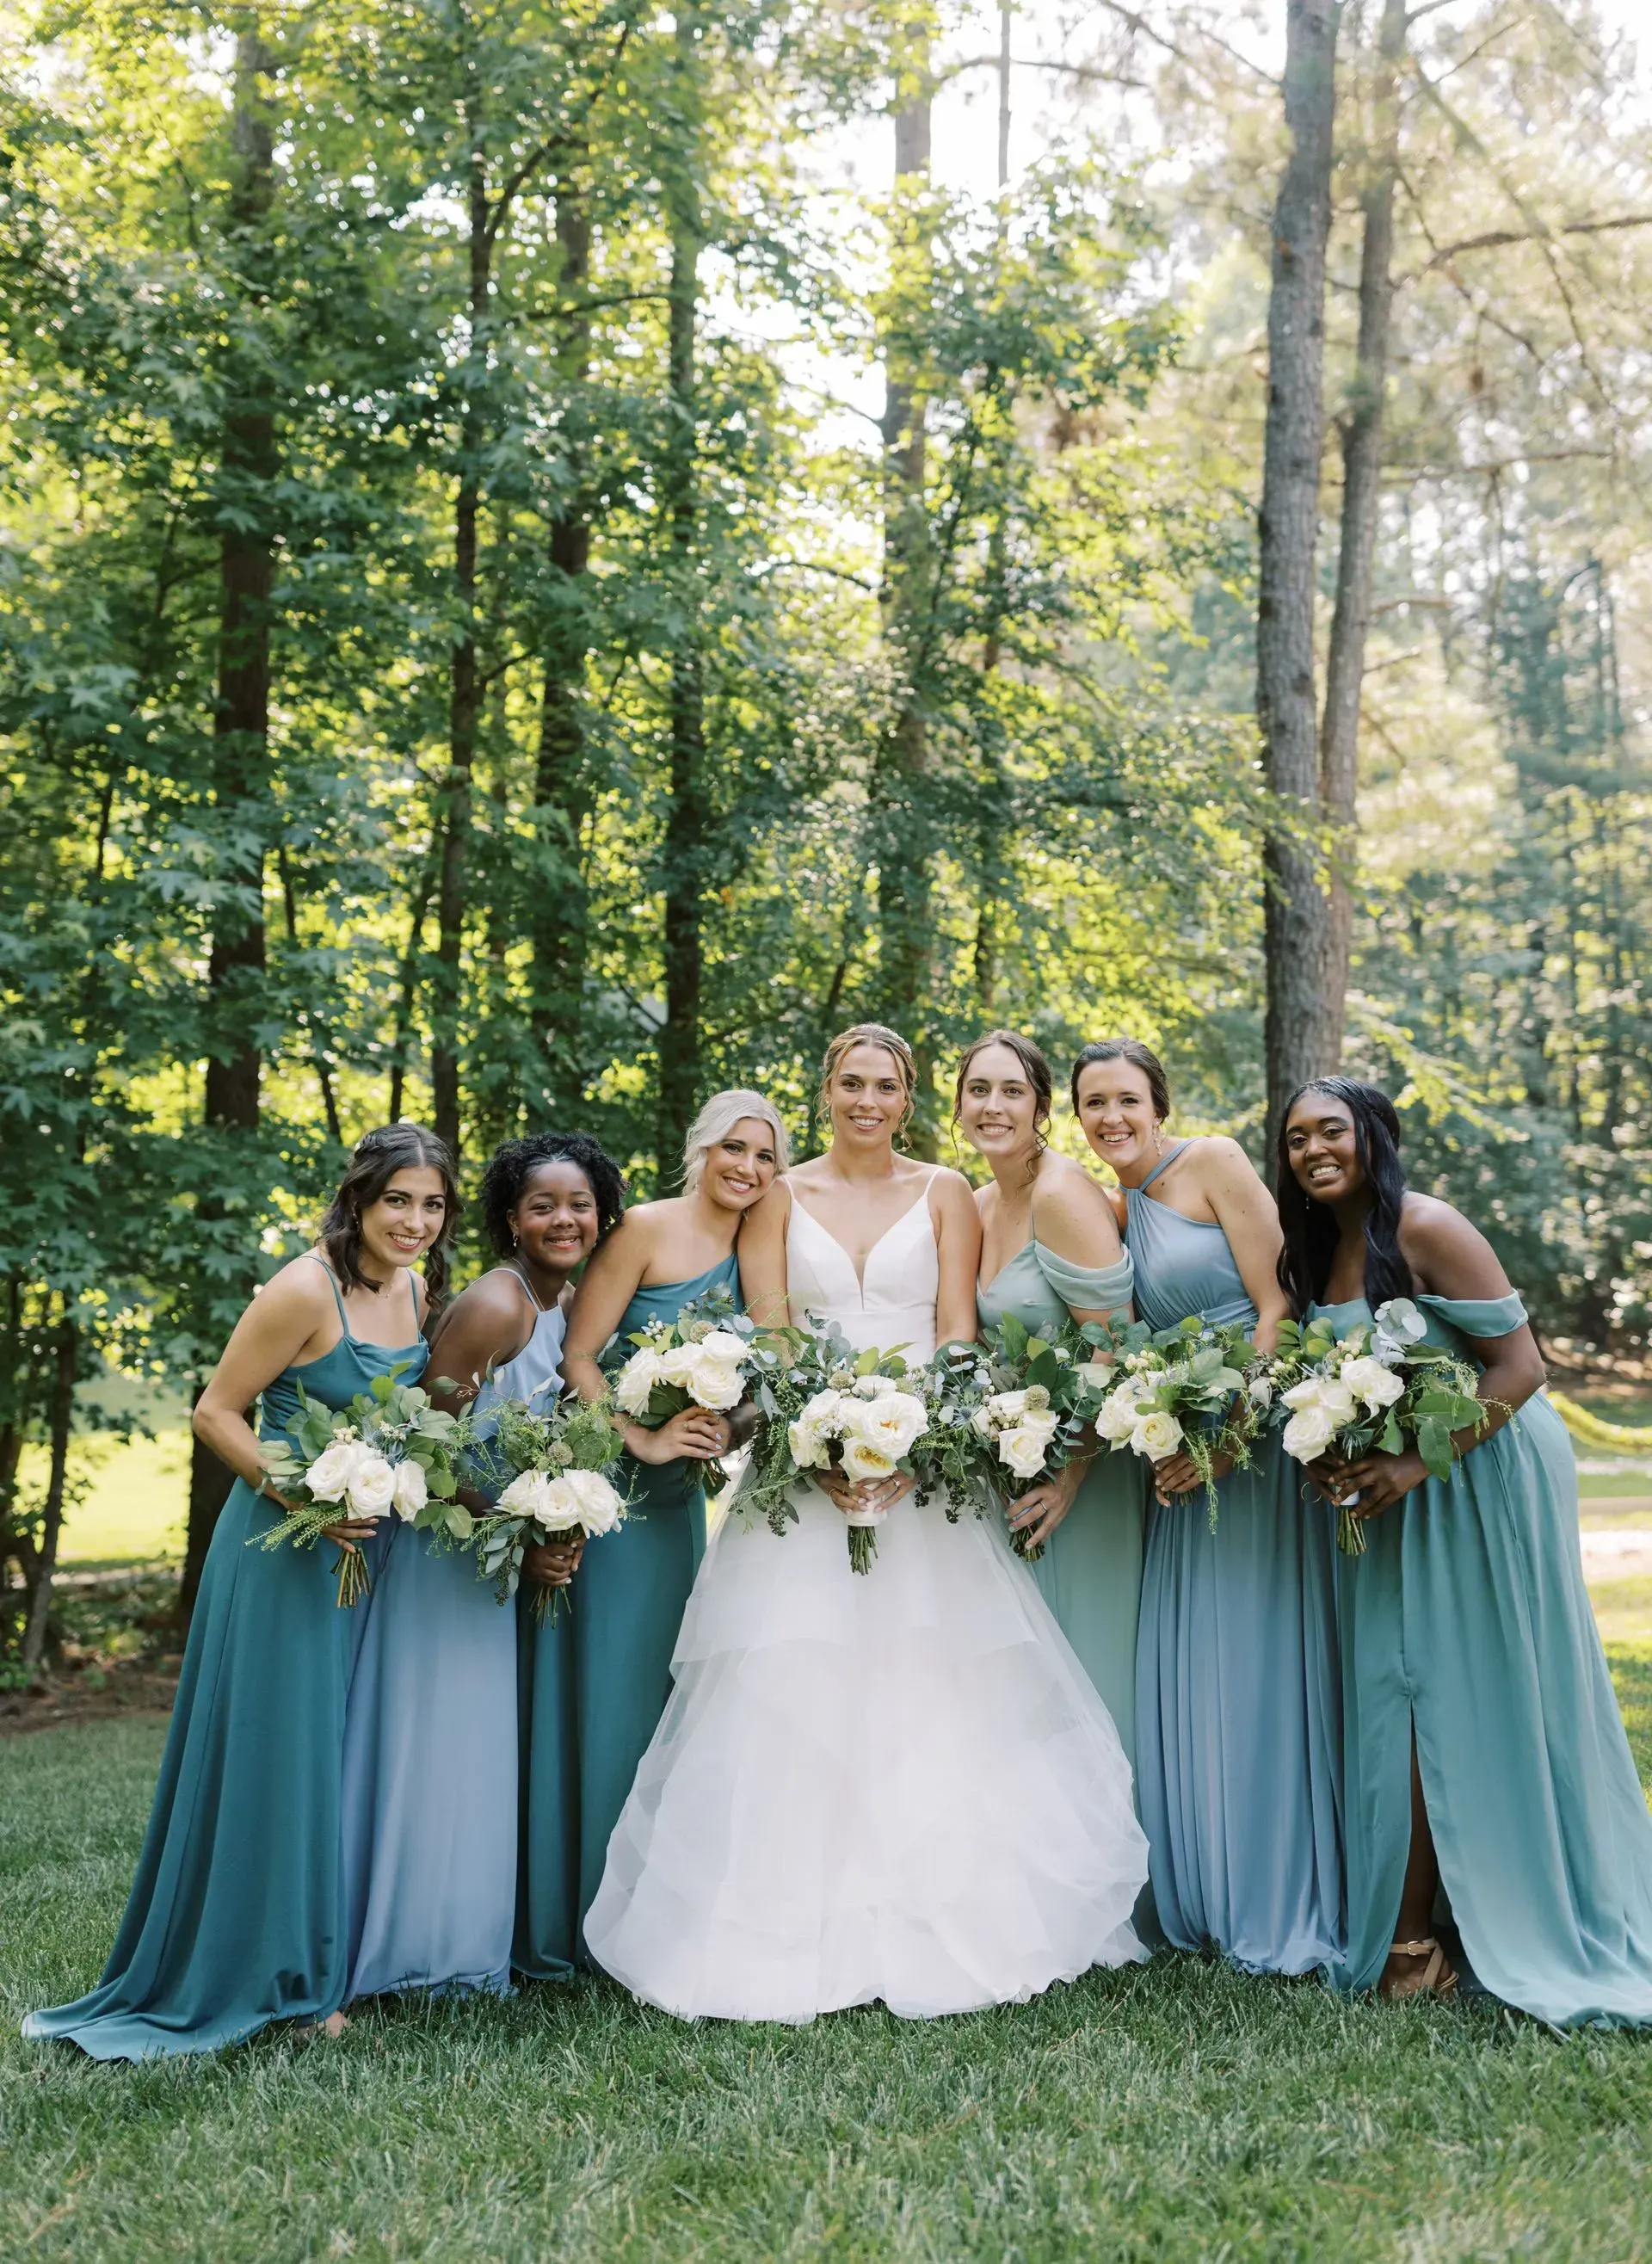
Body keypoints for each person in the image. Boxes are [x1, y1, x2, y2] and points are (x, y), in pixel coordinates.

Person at [584, 1024, 1148, 2022]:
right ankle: (779, 1918)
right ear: (827, 1089)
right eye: (851, 1082)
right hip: (801, 1475)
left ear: (909, 1096)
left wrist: (907, 1447)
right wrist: (820, 1446)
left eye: (887, 1085)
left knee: (927, 1685)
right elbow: (772, 1330)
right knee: (790, 1686)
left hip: (920, 1468)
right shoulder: (781, 1193)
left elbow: (957, 1335)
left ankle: (941, 1909)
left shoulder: (944, 1196)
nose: (868, 1100)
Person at [23, 1124, 455, 2059]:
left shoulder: (417, 1288)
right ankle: (280, 1981)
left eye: (432, 1205)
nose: (416, 1222)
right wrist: (301, 1492)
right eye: (399, 1202)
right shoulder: (303, 1289)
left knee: (339, 1757)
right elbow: (215, 1411)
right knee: (283, 1755)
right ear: (359, 1200)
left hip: (365, 1550)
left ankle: (324, 1961)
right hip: (282, 1549)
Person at [1280, 1076, 1652, 2019]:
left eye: (1332, 1131)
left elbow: (1525, 1365)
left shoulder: (1428, 1228)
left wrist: (1411, 1464)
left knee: (1455, 1692)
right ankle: (1415, 1932)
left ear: (1374, 1134)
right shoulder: (1314, 1252)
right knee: (1391, 1699)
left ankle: (1426, 1944)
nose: (1314, 1150)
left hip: (1477, 1482)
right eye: (1294, 1140)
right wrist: (1336, 1457)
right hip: (1388, 1499)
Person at [1074, 1039, 1342, 1976]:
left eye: (1127, 1100)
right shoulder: (1112, 1208)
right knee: (1192, 1663)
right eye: (1094, 1105)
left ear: (1160, 1103)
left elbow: (1280, 1305)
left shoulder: (1215, 1163)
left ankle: (1278, 1887)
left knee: (1259, 1657)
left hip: (1257, 1446)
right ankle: (1206, 1891)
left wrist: (1236, 1434)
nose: (1112, 1119)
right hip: (1180, 1455)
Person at [339, 1132, 625, 1999]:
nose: (563, 1219)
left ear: (603, 1215)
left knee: (473, 1751)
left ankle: (457, 1945)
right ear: (510, 1219)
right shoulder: (499, 1305)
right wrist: (516, 1525)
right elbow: (427, 1445)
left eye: (579, 1205)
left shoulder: (568, 1302)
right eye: (542, 1205)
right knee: (433, 1743)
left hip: (485, 1555)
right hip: (440, 1553)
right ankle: (411, 1955)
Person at [544, 1090, 787, 1971]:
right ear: (700, 1146)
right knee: (608, 1684)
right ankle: (576, 1913)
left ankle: (648, 1912)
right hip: (614, 1488)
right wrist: (641, 1437)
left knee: (663, 1687)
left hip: (682, 1497)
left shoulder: (756, 1249)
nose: (746, 1168)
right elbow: (578, 1353)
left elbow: (769, 1376)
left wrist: (733, 1425)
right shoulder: (643, 1228)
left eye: (763, 1157)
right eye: (733, 1147)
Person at [957, 1029, 1144, 1766]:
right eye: (979, 1090)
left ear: (1040, 1105)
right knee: (1021, 1686)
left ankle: (1119, 1876)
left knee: (1087, 1672)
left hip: (1083, 1477)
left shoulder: (1062, 1193)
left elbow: (1115, 1344)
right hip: (1005, 1472)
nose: (993, 1106)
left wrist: (1069, 1471)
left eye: (1012, 1091)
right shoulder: (975, 1204)